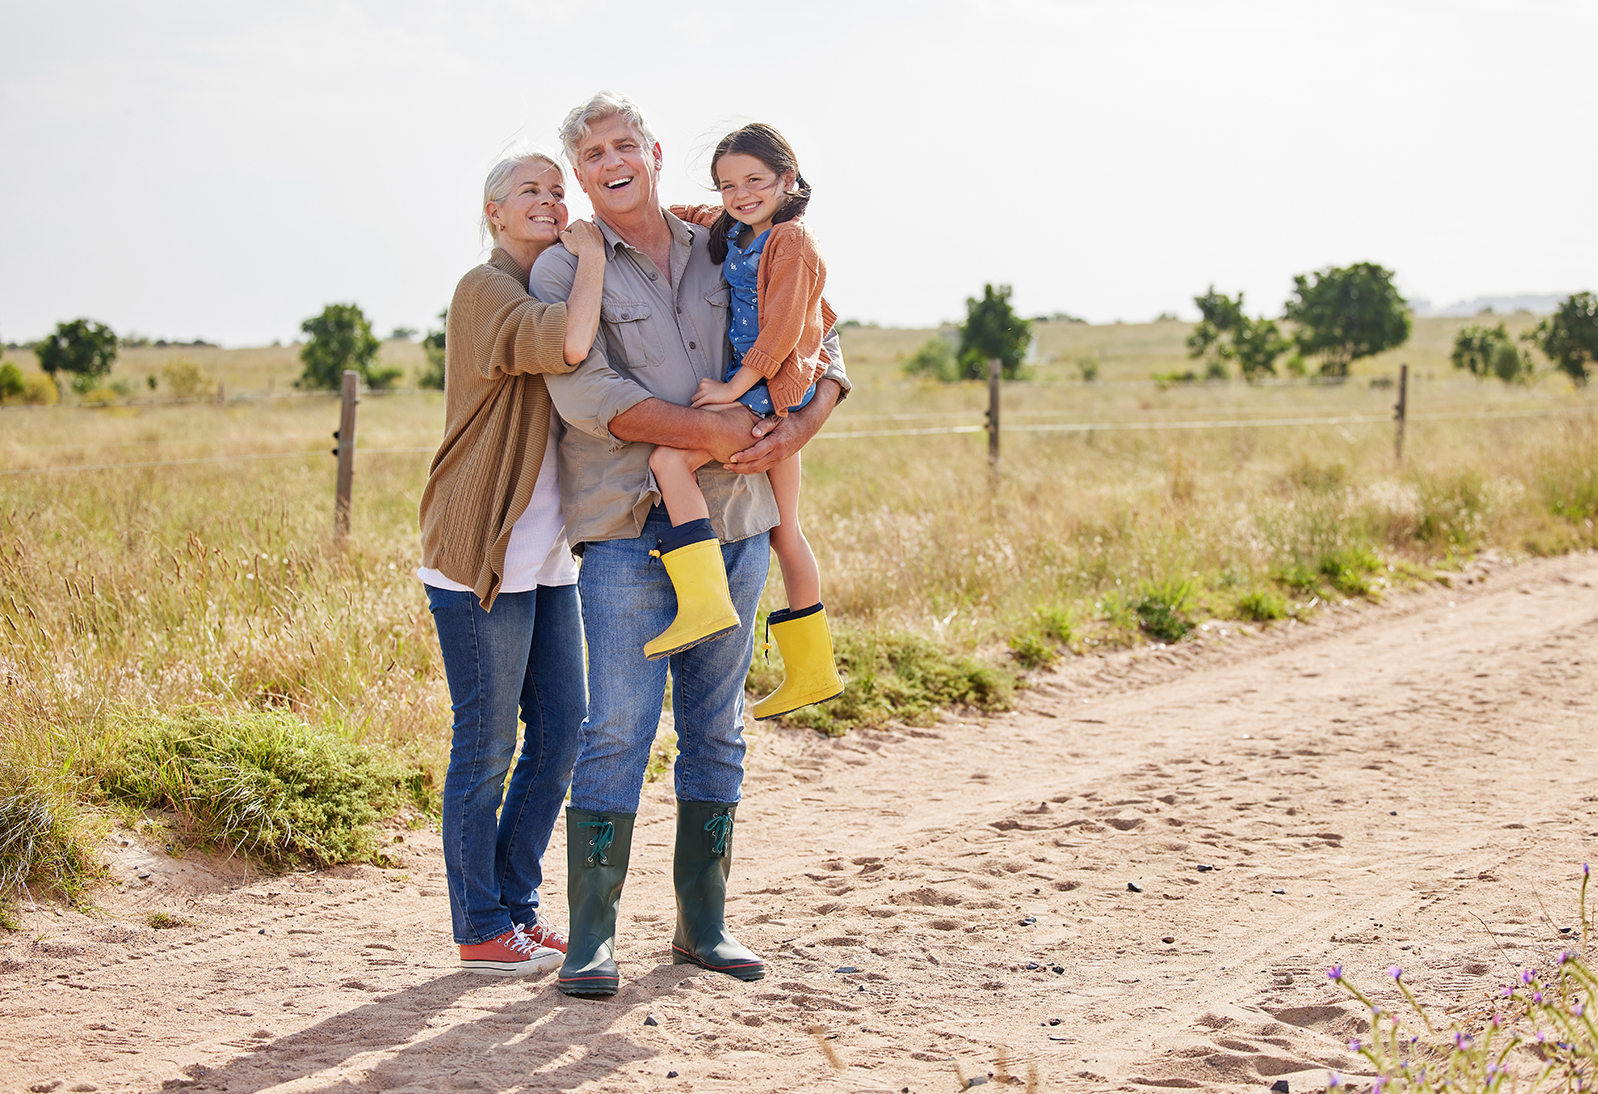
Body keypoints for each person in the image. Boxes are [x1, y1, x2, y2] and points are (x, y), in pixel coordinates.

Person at [530, 92, 849, 997]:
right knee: (619, 728)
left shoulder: (730, 235)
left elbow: (819, 324)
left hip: (739, 522)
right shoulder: (564, 268)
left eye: (623, 143)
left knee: (717, 728)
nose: (610, 161)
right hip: (631, 532)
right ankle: (592, 940)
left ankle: (702, 927)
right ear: (582, 175)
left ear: (655, 151)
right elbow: (592, 398)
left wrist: (806, 419)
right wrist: (716, 431)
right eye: (591, 154)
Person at [416, 151, 606, 977]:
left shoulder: (560, 278)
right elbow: (566, 346)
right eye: (530, 190)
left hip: (548, 558)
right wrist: (597, 256)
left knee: (562, 730)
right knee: (487, 744)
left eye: (555, 189)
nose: (549, 198)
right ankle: (480, 927)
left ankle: (518, 910)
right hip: (481, 552)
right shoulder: (484, 289)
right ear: (494, 213)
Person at [652, 122, 844, 721]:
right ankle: (813, 672)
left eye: (755, 181)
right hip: (771, 391)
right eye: (727, 185)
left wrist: (739, 383)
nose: (740, 195)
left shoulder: (791, 242)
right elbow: (679, 215)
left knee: (667, 460)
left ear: (788, 179)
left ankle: (705, 600)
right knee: (786, 529)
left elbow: (786, 325)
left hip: (769, 388)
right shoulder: (735, 228)